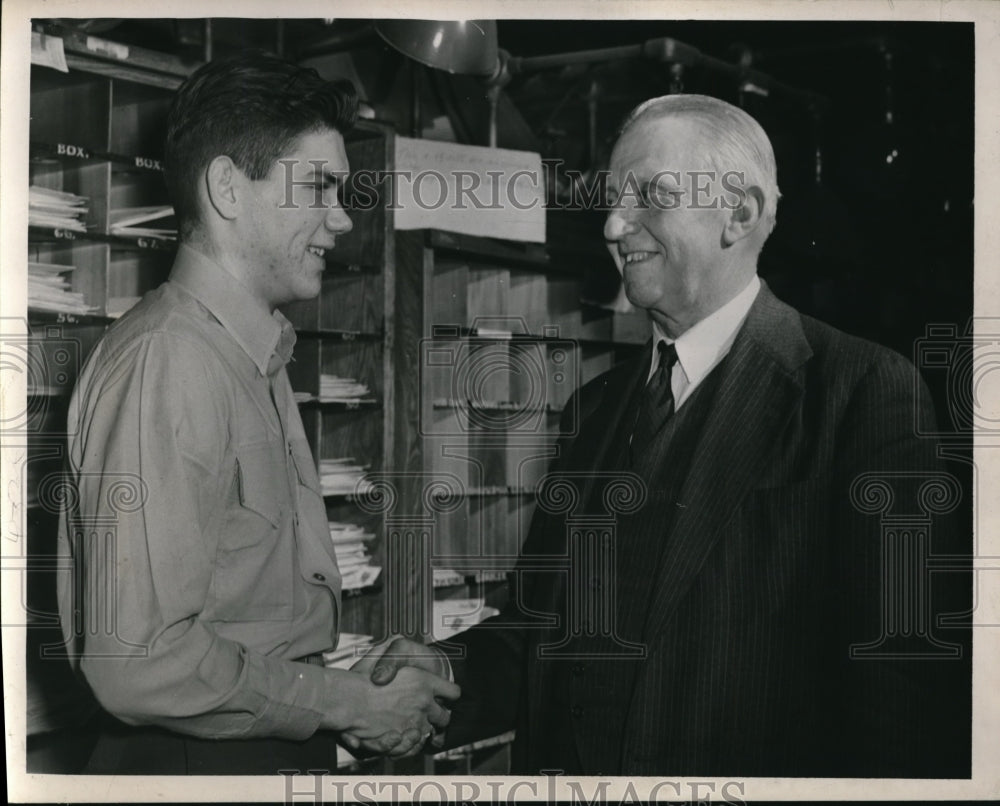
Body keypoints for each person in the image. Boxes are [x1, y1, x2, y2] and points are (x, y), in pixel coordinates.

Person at [357, 94, 969, 776]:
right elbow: (545, 626)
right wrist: (443, 669)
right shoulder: (595, 406)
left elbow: (902, 689)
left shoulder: (862, 393)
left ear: (738, 213)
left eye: (650, 195)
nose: (616, 225)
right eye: (614, 200)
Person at [55, 50, 458, 775]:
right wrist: (346, 704)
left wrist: (353, 682)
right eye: (320, 188)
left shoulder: (250, 351)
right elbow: (138, 663)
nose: (341, 219)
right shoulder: (169, 362)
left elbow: (246, 622)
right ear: (227, 189)